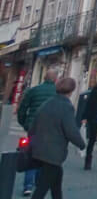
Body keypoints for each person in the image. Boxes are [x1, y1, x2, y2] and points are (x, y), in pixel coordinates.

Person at [26, 77, 86, 199]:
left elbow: (33, 126)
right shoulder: (66, 107)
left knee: (56, 181)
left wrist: (32, 142)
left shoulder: (47, 103)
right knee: (42, 188)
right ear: (71, 91)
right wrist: (81, 144)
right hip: (53, 152)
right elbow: (71, 130)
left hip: (40, 149)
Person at [17, 68, 57, 198]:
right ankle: (40, 183)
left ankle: (28, 185)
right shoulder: (57, 93)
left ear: (44, 78)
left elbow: (22, 109)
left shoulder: (33, 90)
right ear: (55, 79)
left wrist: (24, 123)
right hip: (50, 129)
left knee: (31, 155)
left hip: (33, 127)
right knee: (45, 156)